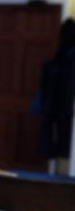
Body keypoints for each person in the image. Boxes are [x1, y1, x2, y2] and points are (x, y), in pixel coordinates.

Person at [36, 17, 75, 167]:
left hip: (57, 101)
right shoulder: (62, 57)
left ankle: (55, 152)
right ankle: (58, 152)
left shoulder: (61, 56)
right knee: (60, 131)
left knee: (54, 129)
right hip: (62, 101)